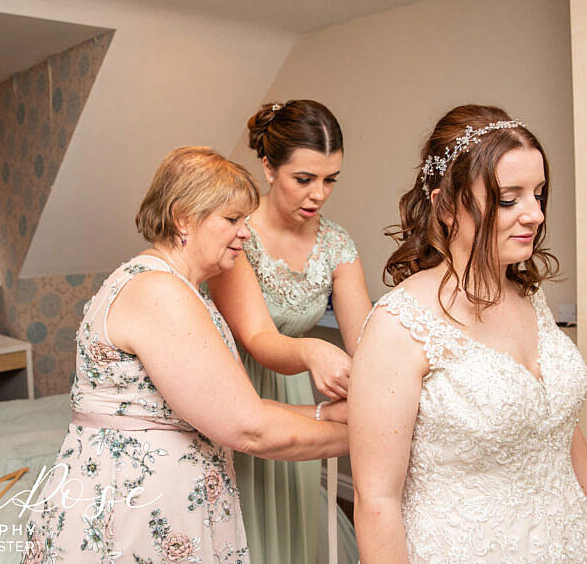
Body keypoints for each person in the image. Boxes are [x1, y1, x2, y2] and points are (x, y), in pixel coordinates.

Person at [23, 147, 348, 562]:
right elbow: (248, 428)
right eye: (232, 219)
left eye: (246, 220)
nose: (246, 233)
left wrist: (324, 415)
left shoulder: (175, 286)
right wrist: (361, 435)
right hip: (134, 509)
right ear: (183, 218)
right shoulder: (160, 292)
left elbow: (226, 404)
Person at [349, 105, 587, 563]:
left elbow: (561, 435)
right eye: (509, 199)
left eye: (539, 194)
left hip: (574, 541)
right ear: (444, 206)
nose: (535, 215)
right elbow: (376, 499)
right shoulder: (400, 323)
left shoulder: (529, 297)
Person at [208, 100, 369, 563]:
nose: (318, 194)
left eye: (330, 179)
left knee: (291, 527)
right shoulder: (236, 234)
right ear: (268, 166)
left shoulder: (337, 244)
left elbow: (366, 343)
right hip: (235, 390)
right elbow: (259, 341)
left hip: (299, 400)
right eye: (304, 179)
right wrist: (316, 350)